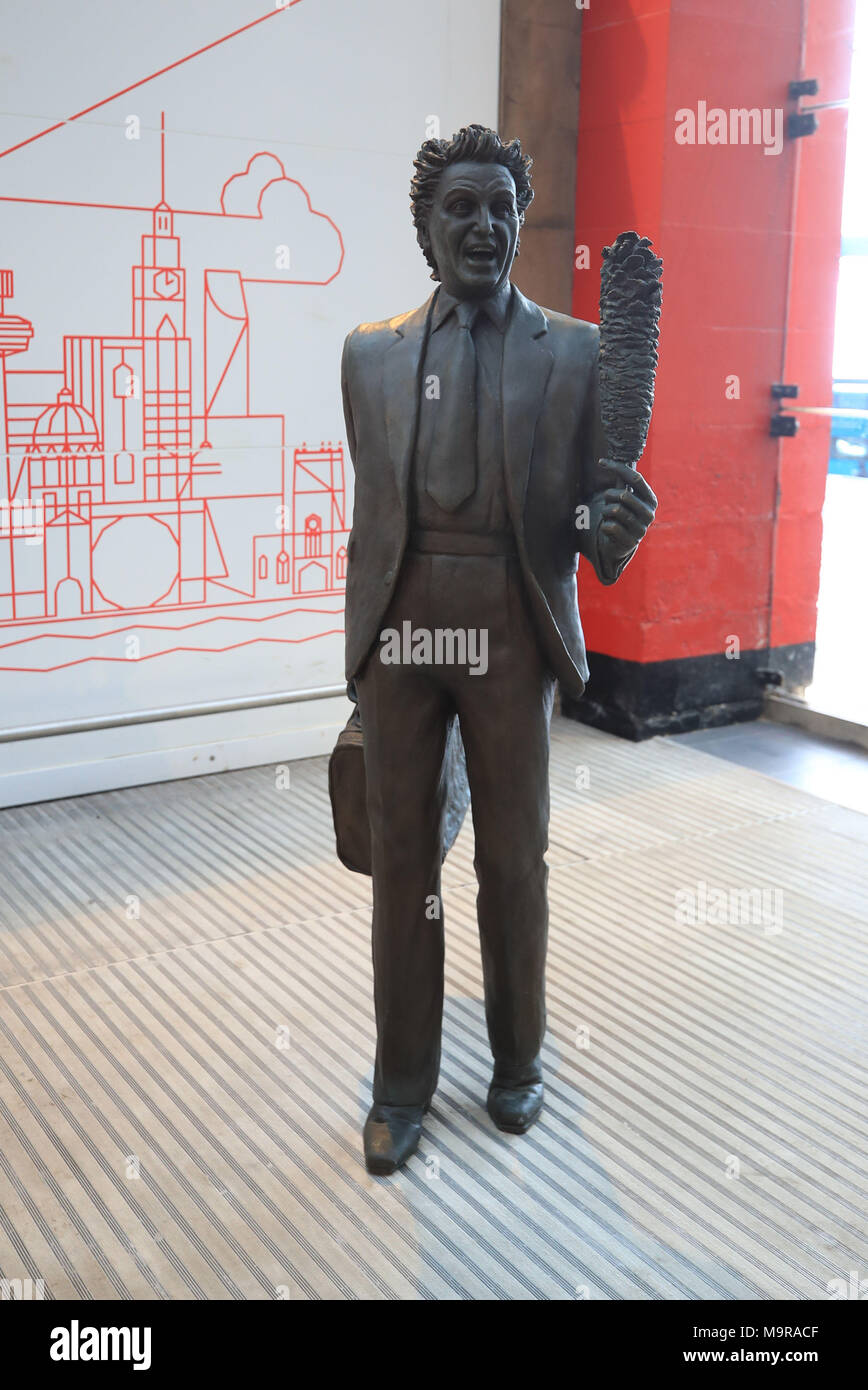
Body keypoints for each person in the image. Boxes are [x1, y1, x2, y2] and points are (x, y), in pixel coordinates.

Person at [340, 125, 657, 1174]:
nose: (482, 226)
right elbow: (374, 517)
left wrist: (605, 537)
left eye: (499, 208)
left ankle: (517, 1060)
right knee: (400, 865)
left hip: (511, 630)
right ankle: (400, 1084)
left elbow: (585, 522)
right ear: (427, 228)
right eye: (459, 208)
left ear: (521, 220)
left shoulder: (574, 353)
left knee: (513, 859)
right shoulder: (370, 354)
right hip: (405, 630)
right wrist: (360, 657)